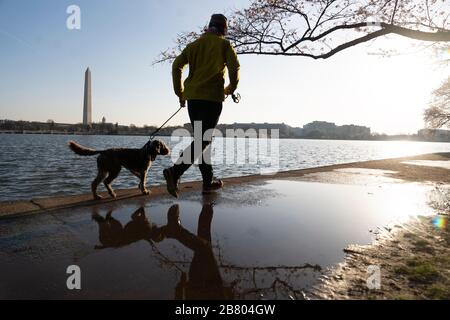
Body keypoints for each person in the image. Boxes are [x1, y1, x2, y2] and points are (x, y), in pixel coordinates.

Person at [163, 13, 240, 198]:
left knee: (201, 139)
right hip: (212, 99)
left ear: (209, 26)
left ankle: (207, 182)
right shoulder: (224, 45)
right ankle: (175, 172)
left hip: (193, 100)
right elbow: (234, 68)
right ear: (224, 29)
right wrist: (230, 89)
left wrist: (179, 93)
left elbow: (176, 66)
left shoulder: (193, 46)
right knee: (204, 140)